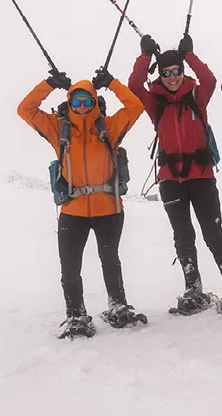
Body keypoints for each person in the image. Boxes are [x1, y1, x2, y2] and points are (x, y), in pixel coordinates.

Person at [18, 66, 147, 339]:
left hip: (109, 210)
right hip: (73, 211)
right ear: (69, 103)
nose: (81, 106)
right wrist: (49, 84)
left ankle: (118, 306)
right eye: (75, 101)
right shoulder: (59, 130)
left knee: (110, 259)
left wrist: (112, 82)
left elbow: (135, 107)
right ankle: (76, 315)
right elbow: (25, 109)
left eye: (87, 100)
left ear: (94, 101)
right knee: (70, 266)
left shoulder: (109, 127)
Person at [128, 34, 222, 316]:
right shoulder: (155, 102)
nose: (172, 77)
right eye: (166, 73)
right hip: (170, 179)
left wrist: (189, 55)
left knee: (213, 232)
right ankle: (193, 288)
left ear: (182, 71)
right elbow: (134, 85)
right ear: (160, 75)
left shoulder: (197, 96)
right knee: (182, 235)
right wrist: (145, 56)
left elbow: (210, 79)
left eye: (176, 71)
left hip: (201, 176)